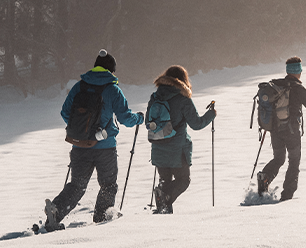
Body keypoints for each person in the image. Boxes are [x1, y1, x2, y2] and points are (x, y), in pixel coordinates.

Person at [41, 50, 144, 231]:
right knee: (108, 185)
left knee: (77, 185)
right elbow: (126, 118)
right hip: (105, 147)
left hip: (80, 146)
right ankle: (102, 218)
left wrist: (82, 131)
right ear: (111, 70)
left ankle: (56, 211)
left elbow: (65, 113)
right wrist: (140, 118)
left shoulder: (79, 86)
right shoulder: (113, 90)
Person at [147, 65, 216, 214]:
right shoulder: (182, 99)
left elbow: (149, 122)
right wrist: (211, 115)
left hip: (158, 148)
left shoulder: (155, 97)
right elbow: (196, 124)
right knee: (183, 180)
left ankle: (162, 215)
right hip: (178, 150)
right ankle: (164, 199)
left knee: (164, 182)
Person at [257, 57, 306, 201]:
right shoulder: (298, 89)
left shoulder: (277, 86)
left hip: (275, 131)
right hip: (292, 132)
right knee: (294, 161)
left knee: (278, 159)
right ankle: (287, 196)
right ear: (299, 71)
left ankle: (264, 179)